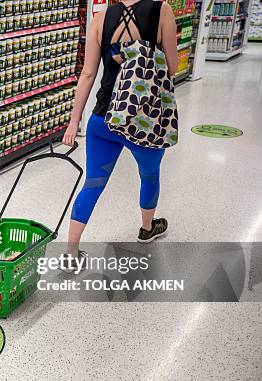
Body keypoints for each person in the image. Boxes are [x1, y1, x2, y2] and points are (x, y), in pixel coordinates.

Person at [63, 0, 178, 256]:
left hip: (103, 119)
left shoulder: (101, 18)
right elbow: (172, 66)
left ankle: (71, 252)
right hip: (144, 120)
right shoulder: (162, 10)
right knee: (149, 175)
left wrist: (74, 122)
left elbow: (88, 75)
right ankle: (147, 229)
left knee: (92, 184)